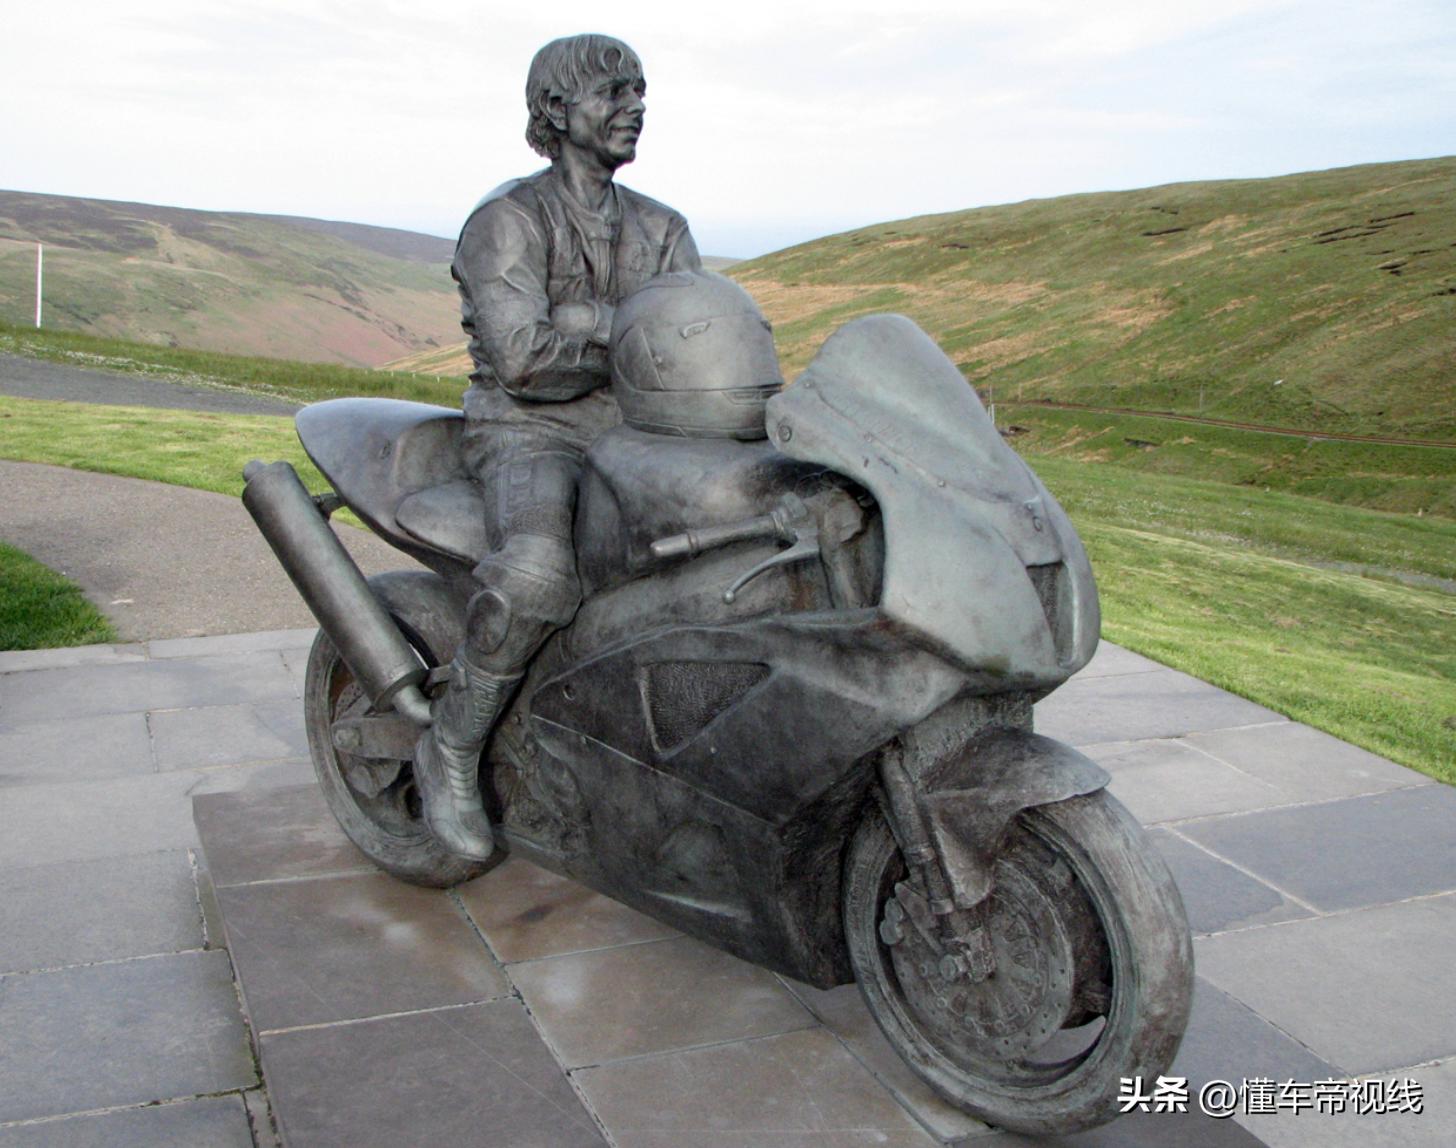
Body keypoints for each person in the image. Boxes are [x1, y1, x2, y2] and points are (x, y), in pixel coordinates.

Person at [414, 33, 702, 859]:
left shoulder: (664, 227)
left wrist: (589, 323)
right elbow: (525, 362)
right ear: (554, 109)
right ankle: (451, 744)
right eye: (613, 92)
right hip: (529, 432)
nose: (634, 107)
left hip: (645, 434)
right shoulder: (507, 220)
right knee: (539, 574)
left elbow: (693, 338)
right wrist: (626, 336)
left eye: (638, 91)